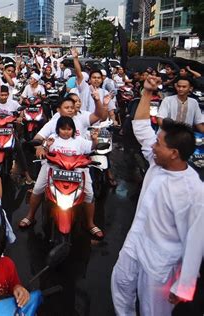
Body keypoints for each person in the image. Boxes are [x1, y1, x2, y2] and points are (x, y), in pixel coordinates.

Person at [111, 75, 204, 315]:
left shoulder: (194, 190)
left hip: (161, 263)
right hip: (135, 243)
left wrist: (184, 285)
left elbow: (196, 242)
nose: (153, 145)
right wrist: (146, 92)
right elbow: (141, 126)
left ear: (174, 153)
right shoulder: (157, 162)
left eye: (159, 143)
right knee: (120, 285)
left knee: (154, 310)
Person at [18, 94, 107, 239]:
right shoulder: (53, 127)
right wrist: (40, 148)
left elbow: (91, 143)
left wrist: (95, 141)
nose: (71, 110)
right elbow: (39, 139)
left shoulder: (81, 125)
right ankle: (30, 215)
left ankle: (90, 223)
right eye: (67, 107)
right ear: (59, 110)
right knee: (38, 188)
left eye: (72, 107)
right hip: (53, 168)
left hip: (78, 169)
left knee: (89, 194)